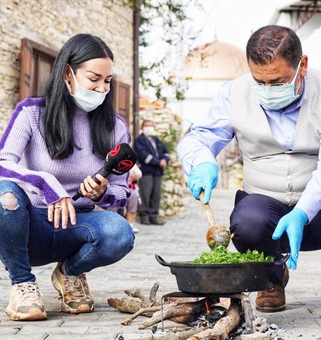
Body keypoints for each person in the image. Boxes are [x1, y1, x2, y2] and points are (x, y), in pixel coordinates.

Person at [0, 34, 135, 321]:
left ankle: (69, 274)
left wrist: (102, 194)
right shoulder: (32, 113)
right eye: (94, 78)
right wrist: (47, 184)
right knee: (2, 194)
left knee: (120, 233)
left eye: (108, 81)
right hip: (31, 225)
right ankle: (22, 284)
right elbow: (0, 164)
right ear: (68, 72)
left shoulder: (115, 127)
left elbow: (122, 192)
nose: (102, 88)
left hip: (77, 225)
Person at [177, 25, 321, 313]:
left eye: (278, 82)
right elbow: (200, 135)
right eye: (260, 82)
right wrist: (202, 161)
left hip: (317, 206)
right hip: (264, 200)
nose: (267, 91)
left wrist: (304, 210)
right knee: (247, 224)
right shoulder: (234, 92)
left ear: (301, 66)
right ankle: (272, 277)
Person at [134, 119, 170, 225]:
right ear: (142, 127)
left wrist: (165, 160)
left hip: (158, 172)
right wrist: (158, 162)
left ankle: (154, 217)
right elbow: (143, 155)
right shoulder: (139, 140)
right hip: (146, 172)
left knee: (156, 195)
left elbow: (165, 152)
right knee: (145, 194)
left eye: (151, 125)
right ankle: (144, 217)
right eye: (147, 125)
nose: (149, 127)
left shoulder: (156, 140)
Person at [125, 164, 142, 233]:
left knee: (134, 196)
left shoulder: (130, 161)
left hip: (130, 188)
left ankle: (130, 224)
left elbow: (139, 173)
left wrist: (134, 176)